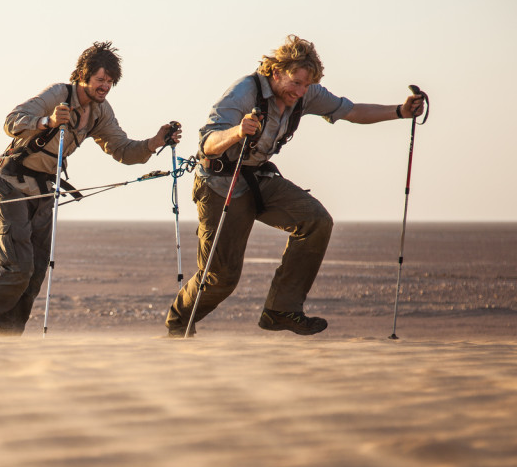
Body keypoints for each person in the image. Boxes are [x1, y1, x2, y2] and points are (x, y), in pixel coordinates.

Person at [165, 34, 425, 337]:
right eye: (296, 83)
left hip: (259, 178)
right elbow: (207, 144)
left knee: (316, 221)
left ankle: (280, 309)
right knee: (221, 278)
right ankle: (179, 323)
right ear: (276, 72)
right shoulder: (243, 92)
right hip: (222, 183)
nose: (300, 91)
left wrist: (400, 111)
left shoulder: (306, 93)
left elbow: (352, 111)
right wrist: (238, 132)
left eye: (306, 85)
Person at [0, 41, 180, 336]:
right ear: (83, 75)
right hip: (11, 183)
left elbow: (122, 149)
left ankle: (4, 342)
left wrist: (155, 142)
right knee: (17, 268)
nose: (105, 87)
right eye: (100, 80)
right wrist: (46, 122)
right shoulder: (58, 94)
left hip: (45, 190)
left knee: (34, 274)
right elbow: (12, 121)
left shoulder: (100, 112)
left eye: (110, 82)